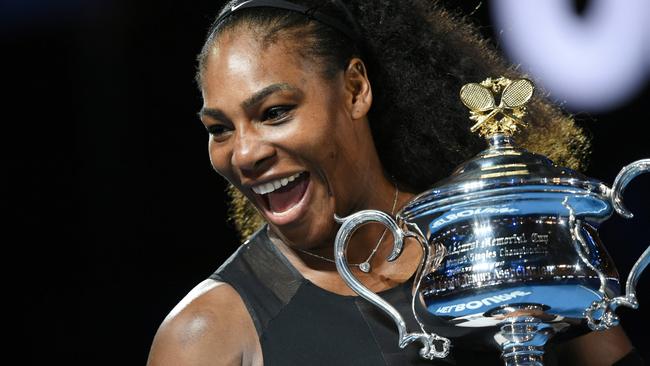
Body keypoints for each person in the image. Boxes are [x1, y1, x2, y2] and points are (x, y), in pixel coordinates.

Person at [146, 1, 642, 365]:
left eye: (275, 113)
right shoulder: (203, 338)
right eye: (220, 129)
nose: (245, 153)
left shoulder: (502, 237)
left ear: (355, 89)